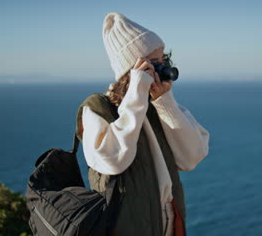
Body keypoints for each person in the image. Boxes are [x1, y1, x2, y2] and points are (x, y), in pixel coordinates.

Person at [78, 12, 210, 236]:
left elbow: (193, 156)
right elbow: (112, 160)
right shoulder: (96, 109)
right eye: (153, 64)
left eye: (163, 61)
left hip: (169, 223)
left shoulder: (159, 105)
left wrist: (165, 103)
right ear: (131, 70)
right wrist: (136, 95)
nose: (161, 69)